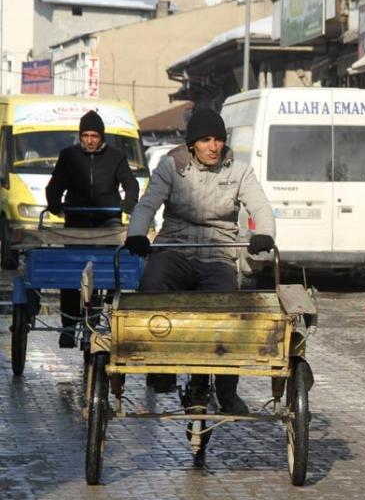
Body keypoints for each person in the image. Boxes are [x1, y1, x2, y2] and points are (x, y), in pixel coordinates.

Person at [123, 108, 276, 415]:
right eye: (205, 140)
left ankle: (226, 389)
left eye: (219, 139)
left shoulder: (239, 170)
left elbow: (261, 206)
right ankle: (160, 367)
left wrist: (265, 234)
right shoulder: (170, 167)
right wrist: (137, 234)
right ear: (192, 144)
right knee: (152, 282)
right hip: (175, 248)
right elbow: (147, 204)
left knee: (229, 309)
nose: (213, 146)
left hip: (218, 253)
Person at [45, 110, 139, 348]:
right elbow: (54, 186)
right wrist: (56, 206)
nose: (89, 140)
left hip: (107, 221)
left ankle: (101, 317)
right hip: (76, 222)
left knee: (107, 271)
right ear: (80, 136)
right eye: (85, 135)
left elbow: (131, 184)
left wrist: (127, 205)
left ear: (101, 136)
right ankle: (68, 326)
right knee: (71, 273)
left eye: (94, 135)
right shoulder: (68, 156)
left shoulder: (116, 157)